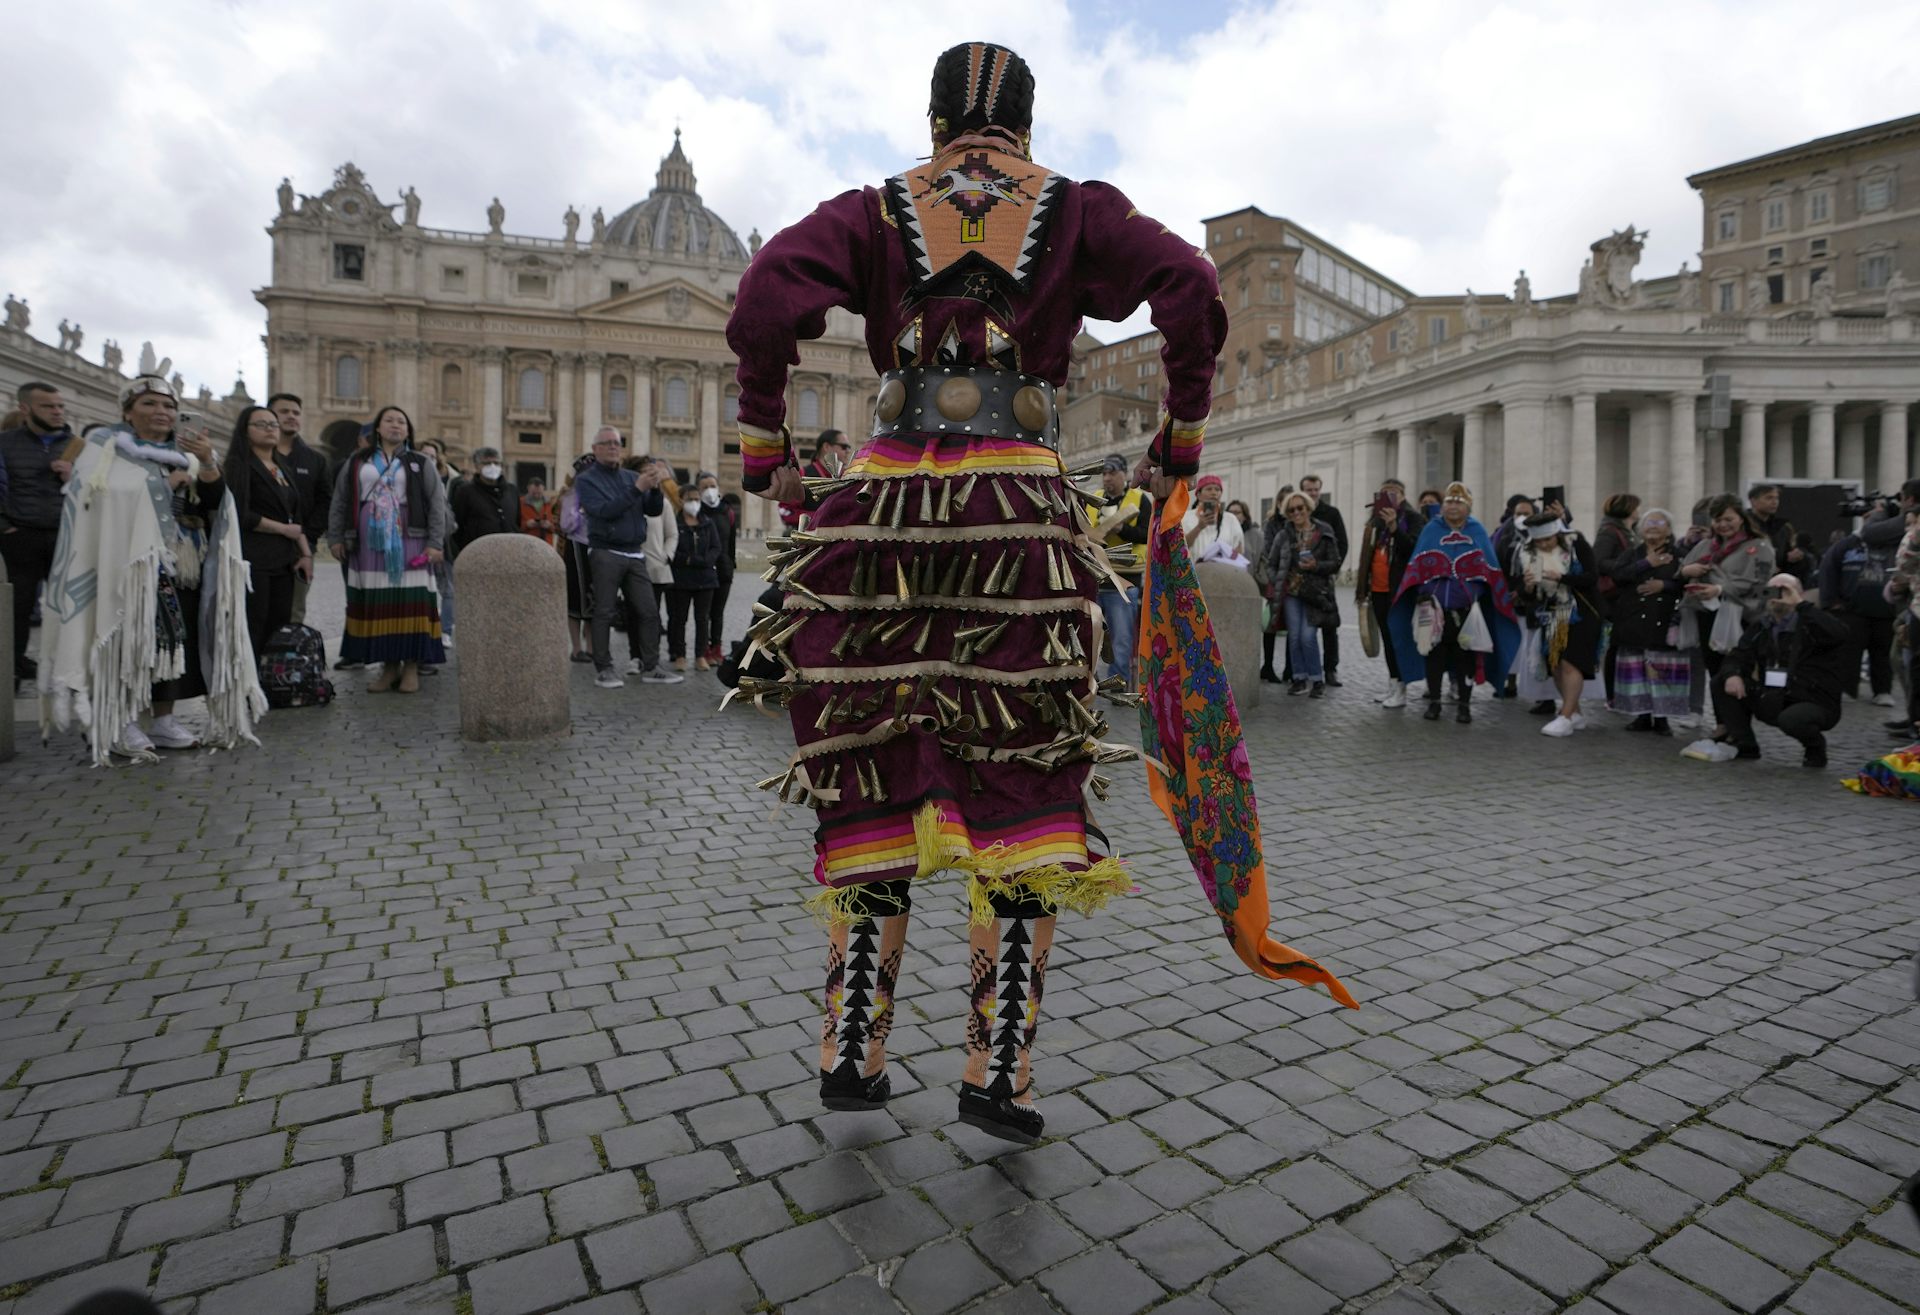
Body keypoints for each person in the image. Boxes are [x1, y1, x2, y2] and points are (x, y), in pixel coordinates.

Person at [725, 40, 1236, 1144]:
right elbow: (1191, 286)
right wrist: (1178, 439)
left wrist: (767, 450)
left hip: (883, 510)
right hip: (1016, 512)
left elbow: (765, 297)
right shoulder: (1076, 209)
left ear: (934, 121)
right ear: (1027, 125)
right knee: (1023, 763)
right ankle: (995, 1068)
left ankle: (851, 1046)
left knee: (866, 751)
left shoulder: (872, 210)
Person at [38, 375, 261, 762]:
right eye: (150, 404)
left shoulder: (189, 453)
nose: (162, 412)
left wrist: (206, 462)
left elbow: (214, 502)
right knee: (127, 638)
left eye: (169, 406)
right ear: (127, 411)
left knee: (175, 642)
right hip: (123, 567)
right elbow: (93, 508)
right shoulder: (103, 449)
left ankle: (163, 719)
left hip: (181, 563)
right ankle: (120, 718)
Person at [326, 406, 447, 693]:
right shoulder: (358, 461)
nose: (395, 425)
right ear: (377, 428)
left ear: (408, 430)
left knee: (411, 603)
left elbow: (436, 504)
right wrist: (335, 537)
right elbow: (341, 500)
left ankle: (412, 667)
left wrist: (434, 543)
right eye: (389, 420)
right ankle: (388, 667)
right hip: (369, 541)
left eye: (401, 422)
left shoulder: (420, 462)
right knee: (380, 604)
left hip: (411, 538)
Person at [1386, 482, 1521, 725]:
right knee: (1434, 654)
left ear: (1468, 507)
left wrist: (1474, 591)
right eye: (1449, 502)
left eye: (1458, 503)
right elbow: (1417, 565)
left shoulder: (1477, 530)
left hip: (1467, 609)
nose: (1453, 506)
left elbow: (1488, 568)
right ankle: (1435, 702)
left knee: (1465, 657)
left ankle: (1464, 706)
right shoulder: (1431, 529)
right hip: (1432, 607)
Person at [1693, 574, 1850, 767]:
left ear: (1798, 594)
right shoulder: (1763, 625)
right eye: (1771, 590)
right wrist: (1733, 674)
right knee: (1721, 681)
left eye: (1783, 590)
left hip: (1813, 699)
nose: (1777, 596)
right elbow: (1738, 654)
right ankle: (1746, 744)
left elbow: (1840, 634)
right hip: (1775, 695)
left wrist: (1800, 604)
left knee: (1792, 719)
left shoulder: (1812, 622)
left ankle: (1815, 747)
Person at [577, 429, 681, 688]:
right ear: (595, 448)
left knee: (648, 612)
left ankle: (651, 666)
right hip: (605, 552)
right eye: (607, 443)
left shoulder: (631, 476)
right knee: (604, 611)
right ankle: (604, 668)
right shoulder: (586, 480)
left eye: (617, 443)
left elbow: (654, 510)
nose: (613, 447)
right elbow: (603, 512)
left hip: (635, 553)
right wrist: (637, 489)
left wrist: (655, 489)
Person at [0, 382, 74, 688]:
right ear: (25, 408)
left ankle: (72, 675)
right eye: (48, 406)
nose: (57, 412)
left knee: (72, 609)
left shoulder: (78, 446)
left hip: (65, 535)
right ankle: (11, 671)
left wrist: (73, 476)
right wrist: (4, 526)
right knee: (16, 610)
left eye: (60, 406)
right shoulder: (5, 443)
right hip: (20, 535)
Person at [225, 406, 310, 660]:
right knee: (255, 622)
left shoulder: (281, 466)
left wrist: (305, 553)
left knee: (278, 622)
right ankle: (249, 685)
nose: (270, 429)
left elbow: (295, 514)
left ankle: (273, 678)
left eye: (273, 424)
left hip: (284, 559)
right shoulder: (238, 465)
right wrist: (283, 529)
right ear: (245, 430)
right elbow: (239, 513)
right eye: (261, 425)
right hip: (254, 556)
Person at [1511, 512, 1603, 737]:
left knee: (1572, 664)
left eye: (1548, 539)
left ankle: (1565, 716)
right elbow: (1526, 594)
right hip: (1549, 615)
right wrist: (1529, 588)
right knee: (1556, 665)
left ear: (1558, 534)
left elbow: (1592, 577)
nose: (1543, 544)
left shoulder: (1576, 544)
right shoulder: (1526, 554)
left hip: (1580, 613)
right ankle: (1575, 712)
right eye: (1539, 541)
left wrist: (1561, 577)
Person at [1679, 493, 1776, 693]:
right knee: (1714, 671)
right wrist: (1686, 571)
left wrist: (1721, 589)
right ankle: (1722, 722)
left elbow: (1762, 584)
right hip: (1708, 614)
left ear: (1741, 518)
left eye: (1728, 519)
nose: (1723, 525)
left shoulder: (1759, 546)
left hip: (1743, 617)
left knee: (1738, 671)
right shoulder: (1705, 545)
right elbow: (1682, 568)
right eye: (1717, 520)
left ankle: (1737, 720)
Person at [1607, 507, 1688, 735]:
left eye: (1659, 523)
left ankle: (1662, 719)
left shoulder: (1679, 554)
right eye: (1648, 523)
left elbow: (1686, 582)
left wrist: (1664, 586)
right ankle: (1641, 715)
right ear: (1641, 529)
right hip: (1633, 619)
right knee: (1637, 670)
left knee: (1661, 670)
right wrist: (1647, 564)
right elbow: (1618, 575)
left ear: (1669, 530)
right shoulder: (1632, 553)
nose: (1653, 526)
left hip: (1663, 619)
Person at [1818, 505, 1901, 706]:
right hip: (1851, 609)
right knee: (1849, 652)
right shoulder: (1847, 545)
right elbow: (1828, 569)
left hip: (1886, 610)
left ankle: (1882, 690)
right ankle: (1847, 688)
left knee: (1882, 653)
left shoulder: (1898, 545)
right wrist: (1831, 601)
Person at [1263, 491, 1340, 696]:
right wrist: (1279, 579)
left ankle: (1317, 679)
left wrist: (1316, 565)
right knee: (1295, 637)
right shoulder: (1284, 534)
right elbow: (1270, 562)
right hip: (1291, 593)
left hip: (1315, 592)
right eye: (1291, 510)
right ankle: (1299, 678)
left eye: (1300, 508)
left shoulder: (1324, 531)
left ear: (1308, 508)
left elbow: (1335, 562)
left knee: (1307, 636)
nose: (1296, 512)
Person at [266, 393, 331, 631]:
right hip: (259, 544)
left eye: (295, 412)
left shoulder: (315, 460)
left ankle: (285, 663)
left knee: (294, 611)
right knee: (258, 608)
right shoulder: (254, 456)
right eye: (284, 412)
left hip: (300, 548)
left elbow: (325, 502)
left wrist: (309, 537)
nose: (291, 417)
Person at [1354, 479, 1421, 707]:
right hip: (1378, 590)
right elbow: (1368, 556)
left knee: (1399, 640)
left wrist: (1394, 527)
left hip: (1399, 591)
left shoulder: (1413, 518)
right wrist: (1362, 588)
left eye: (1394, 493)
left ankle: (1402, 687)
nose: (1389, 496)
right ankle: (1393, 684)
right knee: (1387, 638)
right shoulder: (1375, 522)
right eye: (1384, 493)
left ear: (1403, 495)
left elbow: (1412, 549)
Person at [1091, 453, 1152, 685]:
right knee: (1089, 637)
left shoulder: (1139, 499)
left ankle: (1118, 685)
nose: (1107, 478)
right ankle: (1088, 683)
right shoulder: (1093, 498)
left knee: (1122, 640)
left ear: (1124, 474)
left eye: (1112, 473)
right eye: (1104, 473)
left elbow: (1146, 534)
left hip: (1124, 582)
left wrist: (1121, 529)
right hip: (1095, 577)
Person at [666, 481, 724, 671]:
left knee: (702, 619)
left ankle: (700, 655)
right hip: (681, 579)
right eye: (690, 499)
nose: (694, 503)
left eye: (697, 499)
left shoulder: (708, 523)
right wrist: (692, 560)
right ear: (681, 501)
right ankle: (680, 655)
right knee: (679, 619)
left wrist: (704, 560)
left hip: (706, 580)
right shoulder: (675, 523)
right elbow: (673, 549)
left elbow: (716, 547)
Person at [1298, 473, 1347, 686]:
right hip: (1301, 579)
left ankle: (1330, 669)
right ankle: (1301, 670)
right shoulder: (1296, 511)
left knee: (1329, 626)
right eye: (1309, 489)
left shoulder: (1331, 513)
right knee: (1301, 627)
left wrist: (1332, 567)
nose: (1313, 492)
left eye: (1316, 489)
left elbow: (1342, 543)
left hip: (1324, 576)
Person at [1593, 493, 1640, 707]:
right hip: (1614, 596)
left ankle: (1620, 692)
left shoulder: (1629, 531)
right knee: (1615, 645)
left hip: (1626, 594)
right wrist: (1628, 567)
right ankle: (1611, 694)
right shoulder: (1610, 532)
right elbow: (1599, 562)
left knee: (1621, 644)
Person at [416, 439, 460, 653]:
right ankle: (423, 631)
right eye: (424, 455)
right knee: (421, 590)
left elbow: (447, 518)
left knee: (448, 590)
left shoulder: (450, 482)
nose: (428, 459)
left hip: (442, 546)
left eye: (432, 456)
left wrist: (439, 544)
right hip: (415, 545)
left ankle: (445, 630)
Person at [696, 470, 737, 666]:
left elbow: (732, 543)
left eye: (712, 486)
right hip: (703, 570)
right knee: (703, 614)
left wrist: (731, 565)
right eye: (704, 487)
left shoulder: (727, 512)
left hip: (724, 569)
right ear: (698, 490)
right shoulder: (695, 512)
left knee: (718, 613)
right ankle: (703, 649)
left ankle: (717, 649)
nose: (709, 490)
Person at [777, 430, 854, 531]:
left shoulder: (848, 476)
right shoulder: (802, 474)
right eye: (844, 447)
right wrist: (821, 518)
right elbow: (785, 511)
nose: (848, 451)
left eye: (849, 447)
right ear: (826, 447)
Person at [450, 446, 520, 555]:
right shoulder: (465, 491)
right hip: (478, 553)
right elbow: (458, 524)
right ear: (477, 467)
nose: (492, 466)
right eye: (487, 463)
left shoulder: (511, 490)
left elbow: (516, 520)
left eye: (496, 463)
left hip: (509, 551)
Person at [557, 460, 594, 662]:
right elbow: (566, 525)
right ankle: (576, 648)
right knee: (576, 599)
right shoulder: (572, 495)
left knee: (593, 598)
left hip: (596, 546)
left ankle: (591, 647)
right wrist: (582, 512)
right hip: (577, 547)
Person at [1257, 483, 1293, 682]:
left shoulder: (1298, 521)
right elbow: (1269, 551)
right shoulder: (1271, 524)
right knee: (1271, 624)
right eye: (1283, 501)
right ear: (1279, 503)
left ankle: (1290, 668)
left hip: (1292, 581)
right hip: (1276, 578)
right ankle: (1268, 666)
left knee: (1291, 625)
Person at [1747, 483, 1813, 585]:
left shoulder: (1783, 528)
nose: (1774, 502)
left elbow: (1786, 554)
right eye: (1769, 498)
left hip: (1777, 582)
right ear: (1753, 501)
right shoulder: (1742, 525)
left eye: (1776, 498)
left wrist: (1794, 557)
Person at [1182, 473, 1243, 558]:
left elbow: (1238, 550)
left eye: (1217, 489)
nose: (1214, 493)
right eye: (1209, 489)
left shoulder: (1230, 519)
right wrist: (1199, 527)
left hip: (1222, 570)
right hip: (1194, 570)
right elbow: (1179, 548)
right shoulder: (1185, 518)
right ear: (1198, 495)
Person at [519, 477, 557, 545]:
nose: (536, 495)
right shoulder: (520, 503)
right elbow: (514, 525)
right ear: (528, 488)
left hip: (546, 544)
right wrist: (526, 524)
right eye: (534, 493)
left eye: (539, 493)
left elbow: (557, 527)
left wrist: (549, 525)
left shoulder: (550, 503)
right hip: (528, 543)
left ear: (543, 489)